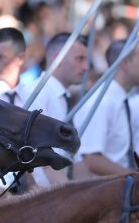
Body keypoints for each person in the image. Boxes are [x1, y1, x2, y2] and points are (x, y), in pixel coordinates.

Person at [18, 32, 88, 186]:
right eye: (79, 59)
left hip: (59, 193)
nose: (85, 67)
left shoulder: (64, 97)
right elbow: (43, 158)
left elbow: (76, 160)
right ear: (59, 57)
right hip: (41, 196)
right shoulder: (36, 94)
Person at [74, 40, 139, 177]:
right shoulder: (102, 102)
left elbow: (122, 154)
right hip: (103, 193)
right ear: (125, 63)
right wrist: (137, 177)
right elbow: (92, 159)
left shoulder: (119, 100)